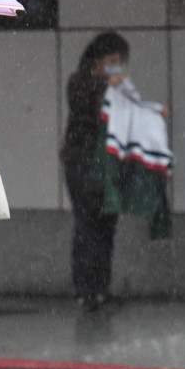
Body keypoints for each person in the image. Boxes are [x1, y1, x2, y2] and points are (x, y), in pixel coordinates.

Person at [61, 32, 164, 312]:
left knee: (107, 226)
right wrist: (108, 86)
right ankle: (86, 290)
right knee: (88, 224)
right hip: (82, 164)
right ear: (99, 59)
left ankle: (100, 289)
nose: (117, 65)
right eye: (113, 59)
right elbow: (90, 104)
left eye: (121, 61)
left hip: (107, 165)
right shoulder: (80, 81)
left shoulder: (116, 87)